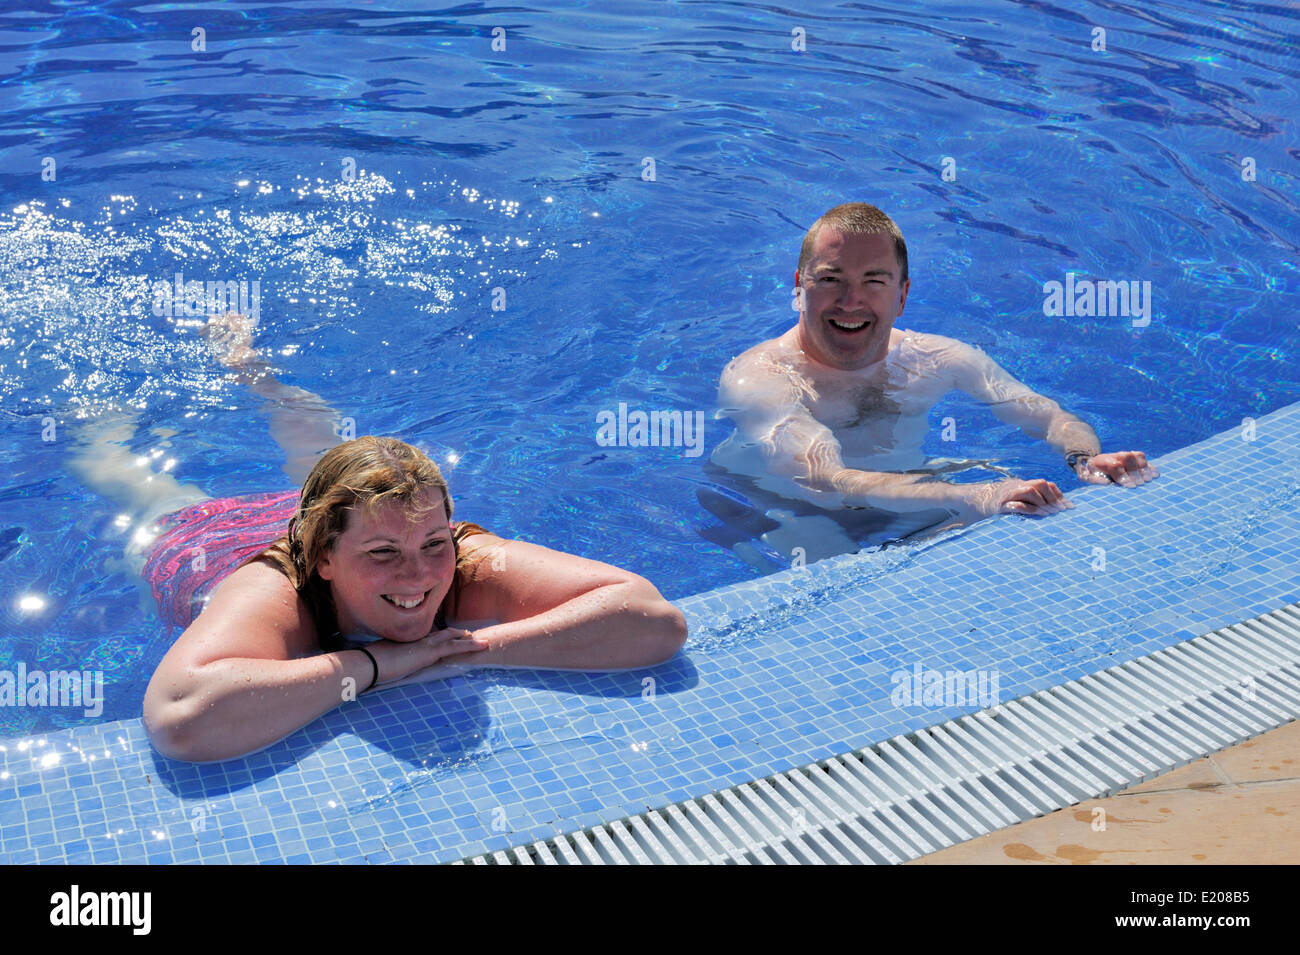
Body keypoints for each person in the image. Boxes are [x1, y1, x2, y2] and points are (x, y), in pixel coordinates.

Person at [71, 315, 686, 763]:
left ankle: (254, 372)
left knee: (327, 450)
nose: (419, 576)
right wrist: (376, 664)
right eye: (385, 556)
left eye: (434, 545)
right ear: (323, 559)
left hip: (344, 514)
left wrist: (459, 647)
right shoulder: (275, 588)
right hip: (206, 545)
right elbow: (181, 721)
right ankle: (94, 418)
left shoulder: (456, 555)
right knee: (137, 484)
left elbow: (654, 620)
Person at [707, 203, 1159, 566]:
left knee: (1019, 515)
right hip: (785, 508)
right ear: (799, 288)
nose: (850, 301)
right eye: (830, 280)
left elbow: (1047, 415)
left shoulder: (935, 357)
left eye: (874, 281)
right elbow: (826, 478)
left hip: (900, 494)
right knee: (844, 586)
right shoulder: (761, 377)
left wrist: (1083, 459)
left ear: (902, 294)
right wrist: (976, 496)